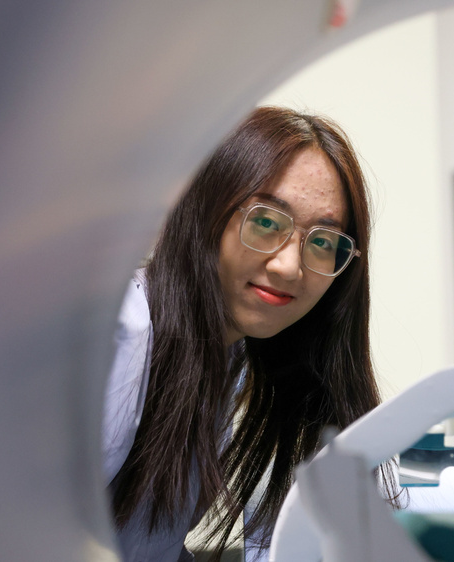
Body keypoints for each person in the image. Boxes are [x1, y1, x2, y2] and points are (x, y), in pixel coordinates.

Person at [100, 106, 383, 561]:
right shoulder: (126, 337)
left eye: (324, 242)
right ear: (205, 211)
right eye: (267, 222)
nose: (289, 266)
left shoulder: (225, 357)